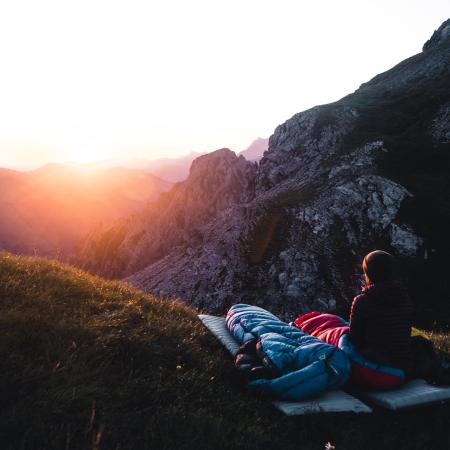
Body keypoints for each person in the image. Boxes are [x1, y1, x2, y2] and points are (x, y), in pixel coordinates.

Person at [349, 250, 414, 374]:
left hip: (377, 364)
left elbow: (355, 339)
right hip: (405, 363)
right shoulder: (404, 297)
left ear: (369, 273)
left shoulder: (362, 301)